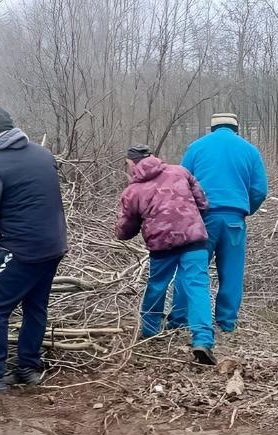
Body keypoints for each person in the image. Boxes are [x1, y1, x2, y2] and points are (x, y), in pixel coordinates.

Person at [0, 106, 68, 395]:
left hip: (21, 249)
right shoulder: (44, 155)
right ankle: (27, 369)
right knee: (35, 307)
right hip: (53, 246)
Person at [115, 145, 216, 365]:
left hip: (162, 245)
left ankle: (150, 331)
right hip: (194, 239)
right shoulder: (180, 172)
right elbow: (203, 203)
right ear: (152, 157)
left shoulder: (132, 192)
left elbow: (126, 230)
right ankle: (203, 340)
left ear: (132, 163)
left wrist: (122, 231)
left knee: (157, 285)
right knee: (197, 287)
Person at [170, 114, 268, 333]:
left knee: (192, 268)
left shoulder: (196, 147)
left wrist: (189, 212)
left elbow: (180, 184)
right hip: (234, 219)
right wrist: (245, 209)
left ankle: (179, 318)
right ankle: (226, 322)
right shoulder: (250, 150)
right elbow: (260, 190)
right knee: (232, 271)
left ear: (212, 127)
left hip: (202, 218)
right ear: (236, 128)